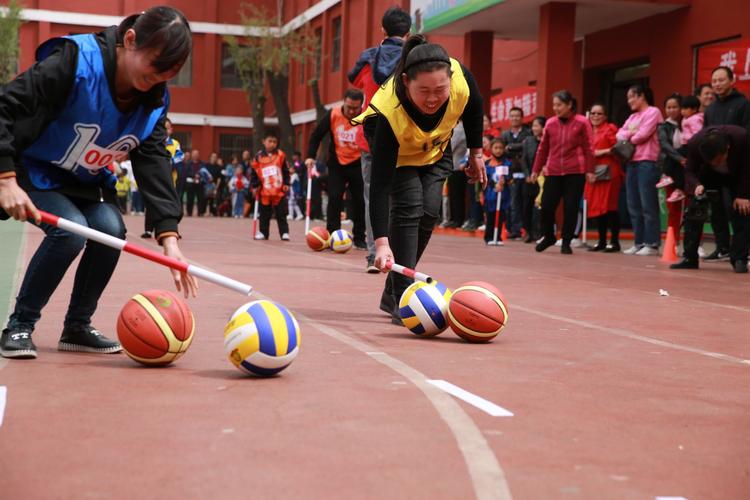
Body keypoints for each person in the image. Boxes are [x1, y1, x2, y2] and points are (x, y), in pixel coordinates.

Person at [0, 6, 197, 359]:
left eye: (165, 76)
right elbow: (4, 107)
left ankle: (77, 326)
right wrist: (6, 179)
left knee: (110, 231)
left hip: (81, 179)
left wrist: (169, 238)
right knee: (71, 231)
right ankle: (19, 326)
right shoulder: (75, 62)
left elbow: (153, 159)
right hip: (30, 167)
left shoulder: (154, 100)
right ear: (131, 40)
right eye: (153, 68)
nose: (155, 81)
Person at [351, 35, 486, 323]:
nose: (433, 98)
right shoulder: (387, 113)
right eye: (423, 90)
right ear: (405, 82)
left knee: (430, 211)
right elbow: (379, 187)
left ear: (450, 79)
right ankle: (403, 298)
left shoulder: (461, 79)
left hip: (435, 150)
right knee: (409, 205)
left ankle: (392, 292)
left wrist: (477, 153)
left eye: (440, 89)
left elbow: (474, 108)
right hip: (399, 157)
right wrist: (382, 244)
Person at [348, 6, 410, 273]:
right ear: (408, 33)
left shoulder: (369, 58)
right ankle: (401, 253)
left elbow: (354, 79)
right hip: (404, 136)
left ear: (382, 30)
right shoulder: (414, 58)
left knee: (374, 193)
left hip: (370, 136)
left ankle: (376, 253)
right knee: (403, 196)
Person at [671, 126, 750, 273]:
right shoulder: (695, 143)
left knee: (742, 211)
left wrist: (743, 195)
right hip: (708, 175)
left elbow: (748, 168)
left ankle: (740, 258)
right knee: (695, 211)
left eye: (720, 160)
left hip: (739, 176)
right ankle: (690, 257)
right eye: (713, 161)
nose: (718, 164)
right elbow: (689, 170)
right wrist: (696, 185)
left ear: (727, 148)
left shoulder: (742, 138)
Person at [530, 90, 595, 255]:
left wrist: (590, 170)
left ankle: (566, 241)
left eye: (559, 105)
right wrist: (536, 170)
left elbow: (589, 147)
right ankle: (549, 236)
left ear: (569, 105)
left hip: (576, 171)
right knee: (546, 206)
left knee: (571, 207)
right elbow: (542, 149)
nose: (556, 108)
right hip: (553, 171)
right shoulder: (550, 123)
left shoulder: (582, 122)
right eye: (554, 105)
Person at [306, 89, 366, 249]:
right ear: (343, 103)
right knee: (334, 197)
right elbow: (316, 135)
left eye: (356, 108)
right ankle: (332, 235)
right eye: (349, 107)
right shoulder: (333, 114)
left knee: (360, 200)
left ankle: (360, 237)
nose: (352, 111)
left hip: (358, 163)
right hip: (336, 163)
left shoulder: (366, 116)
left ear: (361, 106)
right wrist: (310, 156)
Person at [701, 67, 750, 262]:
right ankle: (722, 247)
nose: (718, 84)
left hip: (736, 167)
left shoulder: (743, 104)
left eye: (721, 80)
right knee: (716, 208)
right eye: (714, 80)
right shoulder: (711, 108)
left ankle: (740, 253)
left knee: (736, 210)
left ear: (732, 81)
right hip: (715, 167)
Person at [616, 84, 664, 256]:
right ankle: (639, 242)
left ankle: (652, 243)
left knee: (647, 204)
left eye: (631, 97)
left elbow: (643, 134)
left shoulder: (653, 112)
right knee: (634, 204)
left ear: (641, 96)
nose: (629, 101)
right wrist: (630, 135)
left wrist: (628, 136)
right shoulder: (632, 117)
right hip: (632, 162)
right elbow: (619, 134)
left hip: (648, 162)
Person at [584, 103, 623, 252]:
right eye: (593, 113)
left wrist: (599, 152)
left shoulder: (610, 129)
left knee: (610, 207)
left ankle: (614, 241)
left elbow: (617, 149)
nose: (595, 116)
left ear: (605, 116)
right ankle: (601, 241)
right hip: (593, 172)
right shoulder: (587, 132)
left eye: (599, 114)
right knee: (597, 207)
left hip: (609, 172)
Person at [143, 116, 183, 238]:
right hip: (154, 177)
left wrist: (169, 162)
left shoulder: (175, 143)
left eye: (167, 128)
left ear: (171, 130)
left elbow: (180, 156)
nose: (165, 131)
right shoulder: (154, 141)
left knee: (172, 204)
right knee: (152, 203)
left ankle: (172, 230)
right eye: (163, 128)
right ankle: (149, 230)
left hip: (171, 179)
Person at [251, 130, 290, 240]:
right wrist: (255, 186)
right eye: (270, 141)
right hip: (265, 191)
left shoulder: (281, 155)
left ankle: (284, 233)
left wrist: (286, 183)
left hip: (279, 191)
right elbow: (254, 172)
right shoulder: (258, 157)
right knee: (264, 214)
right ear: (264, 141)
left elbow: (285, 170)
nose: (272, 144)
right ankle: (263, 232)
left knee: (281, 214)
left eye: (274, 141)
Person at [500, 107, 532, 239]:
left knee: (526, 202)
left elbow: (528, 148)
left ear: (522, 118)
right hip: (511, 173)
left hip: (526, 172)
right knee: (512, 203)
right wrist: (519, 147)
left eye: (517, 116)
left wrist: (511, 147)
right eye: (512, 116)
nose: (514, 118)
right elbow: (502, 150)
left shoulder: (528, 133)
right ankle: (514, 229)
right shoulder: (505, 134)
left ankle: (527, 229)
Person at [520, 116, 545, 242]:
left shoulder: (547, 140)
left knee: (540, 207)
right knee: (527, 206)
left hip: (543, 179)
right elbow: (524, 159)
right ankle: (528, 232)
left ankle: (540, 233)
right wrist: (527, 175)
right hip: (530, 179)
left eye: (537, 126)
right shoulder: (528, 140)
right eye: (533, 126)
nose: (534, 128)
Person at [484, 138, 511, 245]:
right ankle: (489, 237)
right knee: (490, 216)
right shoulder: (487, 163)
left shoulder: (507, 163)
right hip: (490, 194)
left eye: (500, 148)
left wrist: (504, 181)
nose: (498, 150)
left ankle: (498, 237)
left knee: (500, 217)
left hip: (503, 194)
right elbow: (485, 178)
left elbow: (509, 177)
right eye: (496, 148)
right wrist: (494, 184)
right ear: (491, 149)